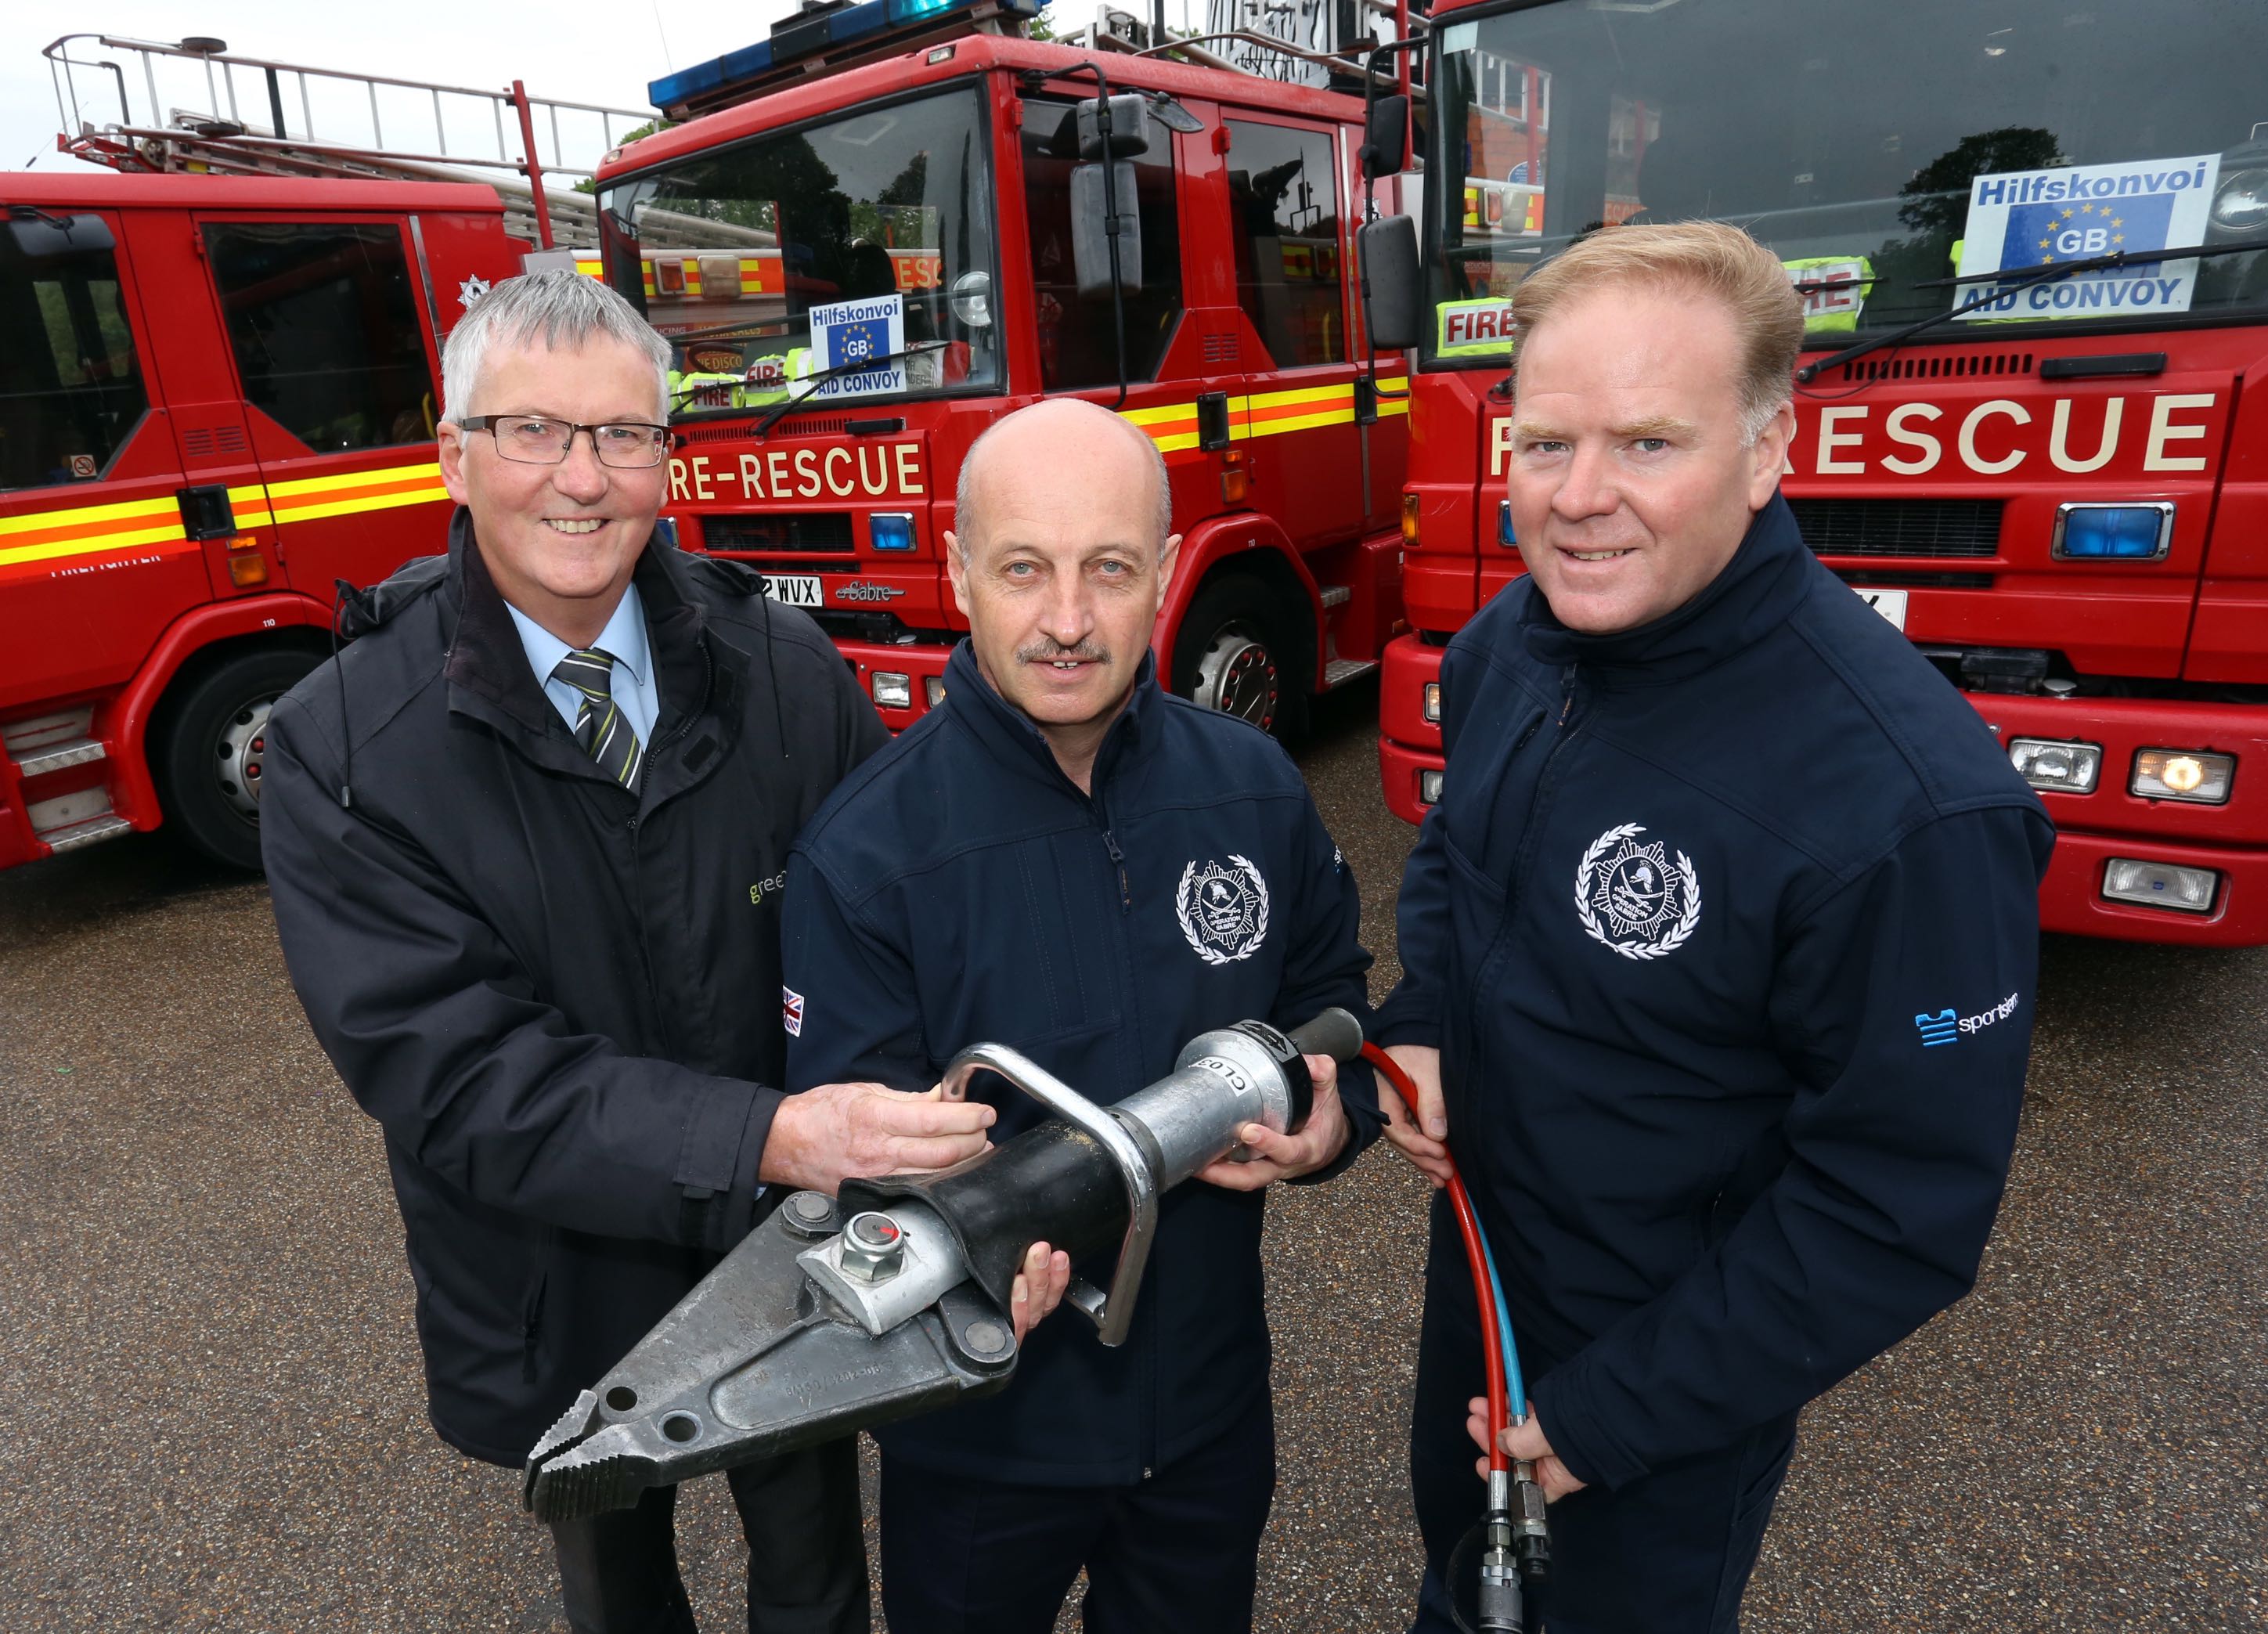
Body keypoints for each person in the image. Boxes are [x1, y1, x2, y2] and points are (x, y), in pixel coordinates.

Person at [261, 271, 998, 1633]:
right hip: (556, 1277)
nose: (581, 479)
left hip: (798, 1247)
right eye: (533, 430)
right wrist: (764, 1136)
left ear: (668, 455)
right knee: (617, 1591)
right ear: (453, 453)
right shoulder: (343, 749)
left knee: (817, 1575)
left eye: (623, 435)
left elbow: (896, 941)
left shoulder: (785, 669)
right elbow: (460, 1076)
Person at [1372, 222, 2055, 1632]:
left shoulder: (1909, 806)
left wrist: (1614, 1416)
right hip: (1485, 1284)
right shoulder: (1515, 644)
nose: (1578, 498)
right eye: (1544, 443)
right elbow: (1457, 855)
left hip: (1660, 1388)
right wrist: (1427, 1012)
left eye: (1646, 445)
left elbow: (1894, 1207)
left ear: (1763, 452)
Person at [778, 397, 1385, 1634]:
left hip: (1209, 1415)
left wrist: (1334, 1132)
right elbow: (850, 1176)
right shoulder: (865, 853)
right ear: (957, 573)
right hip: (980, 1441)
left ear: (1164, 573)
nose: (1066, 621)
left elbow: (1336, 1005)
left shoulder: (1252, 786)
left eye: (1108, 570)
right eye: (1023, 569)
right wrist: (966, 1270)